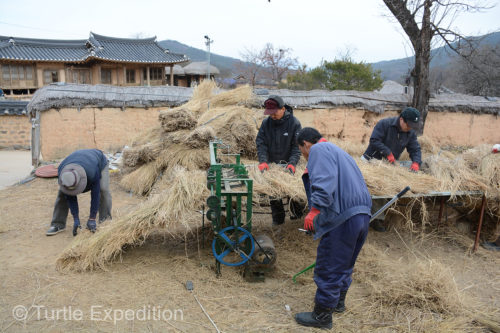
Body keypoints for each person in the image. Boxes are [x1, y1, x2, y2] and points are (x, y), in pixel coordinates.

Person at [294, 127, 372, 329]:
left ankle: (322, 316)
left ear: (306, 144)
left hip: (343, 218)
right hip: (362, 214)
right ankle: (338, 302)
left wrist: (314, 210)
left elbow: (323, 183)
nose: (304, 156)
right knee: (344, 263)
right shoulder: (340, 152)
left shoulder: (319, 151)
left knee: (329, 265)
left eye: (302, 151)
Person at [362, 107, 422, 232]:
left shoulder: (410, 133)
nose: (410, 128)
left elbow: (415, 149)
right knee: (368, 191)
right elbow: (374, 140)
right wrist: (387, 152)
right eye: (408, 124)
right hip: (370, 162)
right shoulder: (385, 124)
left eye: (412, 126)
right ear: (401, 119)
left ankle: (376, 219)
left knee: (383, 191)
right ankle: (364, 217)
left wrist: (416, 162)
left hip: (388, 166)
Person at [256, 95, 302, 226]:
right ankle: (278, 220)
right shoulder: (266, 124)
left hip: (290, 164)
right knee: (273, 193)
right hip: (272, 166)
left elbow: (297, 146)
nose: (272, 116)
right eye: (269, 113)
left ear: (282, 109)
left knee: (293, 192)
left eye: (274, 112)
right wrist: (263, 161)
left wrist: (292, 164)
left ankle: (296, 218)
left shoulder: (294, 123)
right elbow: (261, 143)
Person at [46, 149, 112, 236]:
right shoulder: (62, 173)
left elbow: (95, 195)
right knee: (62, 193)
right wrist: (76, 218)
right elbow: (70, 196)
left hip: (98, 161)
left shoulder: (91, 172)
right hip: (78, 160)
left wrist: (92, 218)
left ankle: (105, 221)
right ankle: (58, 224)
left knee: (103, 189)